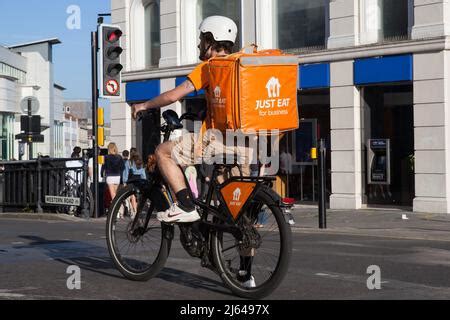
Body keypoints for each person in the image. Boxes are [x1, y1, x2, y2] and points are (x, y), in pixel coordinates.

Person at [131, 15, 249, 224]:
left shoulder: (209, 67)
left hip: (217, 141)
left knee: (162, 152)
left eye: (202, 39)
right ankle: (240, 253)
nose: (198, 44)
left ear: (211, 40)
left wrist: (144, 105)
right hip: (247, 145)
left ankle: (185, 205)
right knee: (236, 214)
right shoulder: (243, 65)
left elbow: (174, 96)